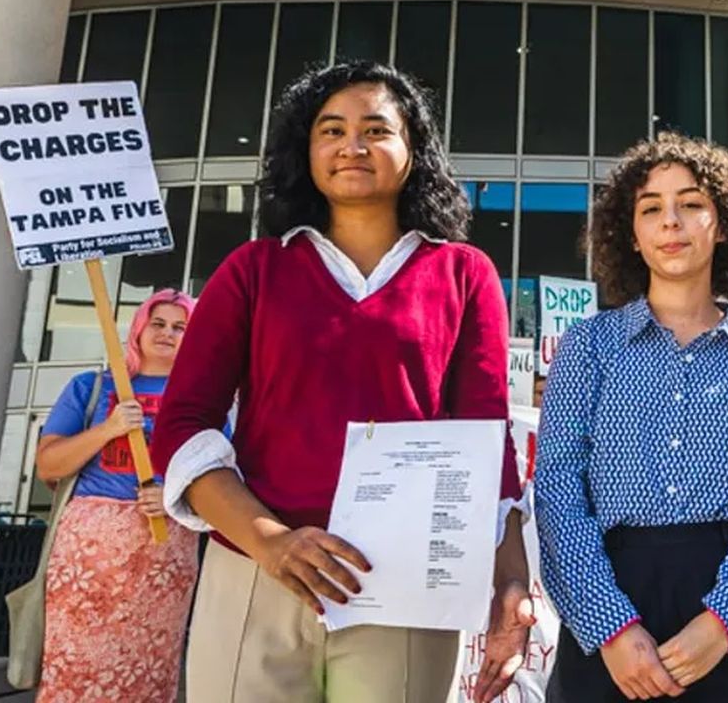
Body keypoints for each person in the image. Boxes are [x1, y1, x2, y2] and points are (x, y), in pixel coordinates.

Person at [148, 61, 534, 703]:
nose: (352, 146)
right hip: (253, 570)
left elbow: (485, 442)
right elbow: (185, 424)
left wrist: (510, 581)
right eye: (332, 129)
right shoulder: (254, 270)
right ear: (308, 149)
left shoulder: (464, 274)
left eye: (376, 129)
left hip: (408, 583)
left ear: (414, 152)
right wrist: (270, 541)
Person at [538, 134, 728, 701]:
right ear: (632, 236)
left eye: (691, 204)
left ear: (722, 224)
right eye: (650, 209)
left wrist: (722, 624)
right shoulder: (588, 347)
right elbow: (558, 493)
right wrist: (609, 626)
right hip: (610, 605)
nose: (671, 221)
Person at [34, 288, 202, 702]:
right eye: (159, 323)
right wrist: (107, 429)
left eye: (181, 327)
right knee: (76, 664)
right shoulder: (90, 387)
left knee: (150, 667)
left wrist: (175, 497)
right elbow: (49, 465)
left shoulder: (205, 400)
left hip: (165, 549)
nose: (168, 333)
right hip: (89, 555)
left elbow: (222, 474)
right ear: (140, 327)